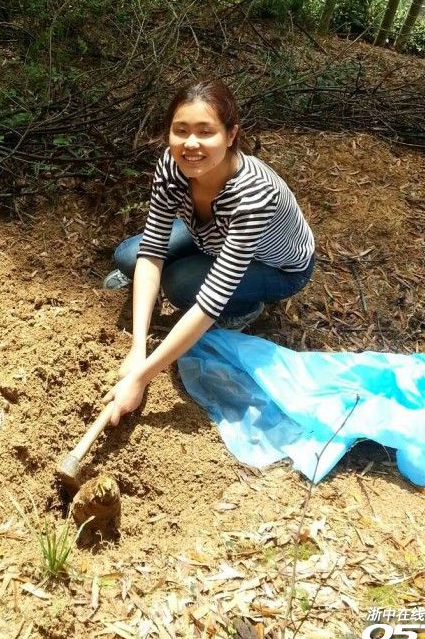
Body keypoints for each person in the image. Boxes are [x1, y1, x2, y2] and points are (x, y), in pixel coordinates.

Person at [102, 80, 315, 426]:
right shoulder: (172, 167)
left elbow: (210, 300)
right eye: (180, 130)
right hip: (210, 236)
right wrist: (137, 348)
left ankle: (247, 306)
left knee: (179, 284)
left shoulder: (254, 194)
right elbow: (153, 248)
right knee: (130, 255)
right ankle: (193, 275)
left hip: (277, 267)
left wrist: (140, 378)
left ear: (231, 135)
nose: (191, 144)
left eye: (206, 132)